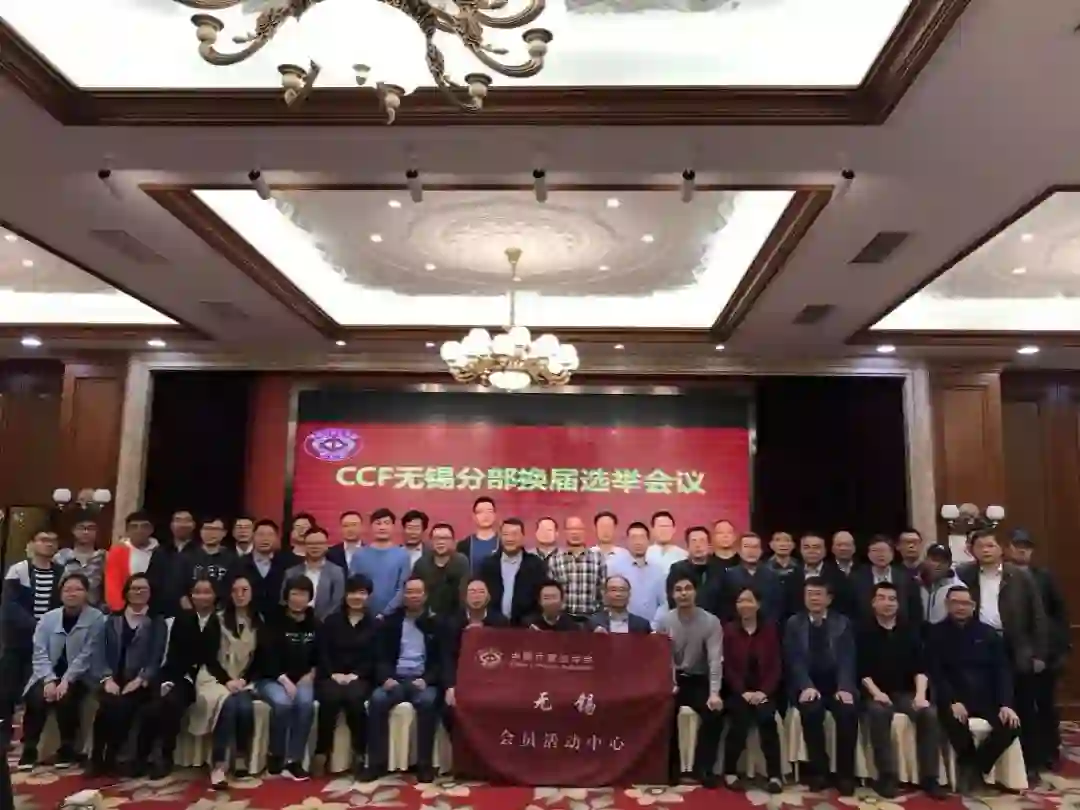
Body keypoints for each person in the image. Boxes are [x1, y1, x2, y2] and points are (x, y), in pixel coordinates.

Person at [956, 530, 1047, 780]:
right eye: (980, 546)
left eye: (991, 545)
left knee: (1025, 707)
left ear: (1001, 549)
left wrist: (1039, 653)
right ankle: (982, 766)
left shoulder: (1019, 576)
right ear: (972, 550)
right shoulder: (964, 574)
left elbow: (1037, 615)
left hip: (1015, 645)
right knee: (993, 705)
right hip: (980, 644)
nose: (986, 550)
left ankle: (1030, 764)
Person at [928, 585, 1020, 794]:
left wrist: (1006, 704)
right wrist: (952, 700)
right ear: (947, 605)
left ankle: (975, 768)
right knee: (954, 721)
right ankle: (969, 767)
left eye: (965, 603)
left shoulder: (988, 633)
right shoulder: (935, 633)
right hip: (954, 697)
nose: (960, 607)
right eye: (955, 602)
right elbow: (935, 673)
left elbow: (1002, 670)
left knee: (1012, 725)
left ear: (973, 606)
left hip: (987, 698)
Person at [858, 583, 945, 799]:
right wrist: (877, 693)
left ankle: (930, 778)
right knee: (878, 713)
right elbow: (861, 671)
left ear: (898, 604)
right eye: (882, 598)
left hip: (905, 692)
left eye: (892, 599)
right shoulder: (863, 631)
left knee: (929, 713)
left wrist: (920, 695)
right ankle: (887, 776)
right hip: (875, 692)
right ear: (873, 603)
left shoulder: (909, 631)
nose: (887, 603)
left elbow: (920, 668)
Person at [18, 573, 104, 770]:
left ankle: (67, 747)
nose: (72, 594)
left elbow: (88, 653)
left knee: (67, 696)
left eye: (78, 589)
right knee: (36, 696)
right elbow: (39, 651)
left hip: (81, 674)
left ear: (86, 593)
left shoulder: (97, 618)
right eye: (67, 590)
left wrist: (67, 680)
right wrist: (49, 679)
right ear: (60, 593)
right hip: (47, 673)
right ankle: (30, 748)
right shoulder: (48, 618)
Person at [136, 576, 219, 779]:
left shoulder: (220, 620)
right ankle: (141, 756)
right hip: (175, 673)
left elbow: (209, 657)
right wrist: (169, 681)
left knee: (171, 703)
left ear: (215, 595)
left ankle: (164, 756)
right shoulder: (183, 619)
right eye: (197, 592)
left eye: (207, 592)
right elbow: (174, 654)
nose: (201, 596)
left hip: (200, 678)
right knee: (152, 705)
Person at [784, 575, 858, 795]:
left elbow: (847, 658)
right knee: (811, 711)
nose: (814, 599)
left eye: (818, 594)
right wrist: (806, 685)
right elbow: (793, 660)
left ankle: (845, 775)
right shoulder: (794, 623)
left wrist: (844, 687)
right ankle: (819, 772)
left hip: (836, 684)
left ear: (829, 598)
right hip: (808, 684)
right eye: (809, 594)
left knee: (847, 712)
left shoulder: (842, 622)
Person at [190, 575, 266, 789]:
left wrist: (243, 679)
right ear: (229, 594)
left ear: (252, 593)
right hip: (214, 677)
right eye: (235, 590)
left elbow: (260, 659)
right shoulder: (218, 619)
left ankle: (240, 757)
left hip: (243, 679)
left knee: (245, 706)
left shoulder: (259, 621)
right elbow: (208, 657)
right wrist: (227, 680)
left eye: (245, 590)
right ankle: (219, 765)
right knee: (228, 704)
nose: (240, 595)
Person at [88, 573, 167, 776]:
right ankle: (96, 757)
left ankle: (114, 756)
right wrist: (107, 679)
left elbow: (156, 656)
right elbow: (99, 652)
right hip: (113, 678)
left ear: (151, 593)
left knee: (124, 705)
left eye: (143, 589)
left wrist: (141, 679)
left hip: (142, 681)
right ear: (126, 592)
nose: (139, 592)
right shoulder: (112, 619)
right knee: (105, 707)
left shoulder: (157, 622)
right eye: (134, 588)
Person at [366, 577, 443, 783]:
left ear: (425, 596)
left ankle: (424, 765)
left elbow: (440, 660)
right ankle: (376, 764)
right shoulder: (390, 622)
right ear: (402, 595)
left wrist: (426, 679)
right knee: (377, 700)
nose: (413, 596)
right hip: (395, 678)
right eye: (409, 592)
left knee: (428, 702)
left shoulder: (435, 623)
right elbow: (379, 656)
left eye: (418, 592)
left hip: (422, 680)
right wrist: (386, 678)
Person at [1008, 529, 1070, 771]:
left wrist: (1058, 650)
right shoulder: (1003, 575)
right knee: (1020, 705)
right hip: (1013, 652)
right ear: (1008, 548)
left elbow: (1059, 615)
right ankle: (1023, 754)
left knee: (1045, 705)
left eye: (1027, 546)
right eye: (1018, 545)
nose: (1022, 550)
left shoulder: (1044, 577)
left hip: (1044, 652)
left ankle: (1049, 752)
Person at [656, 575, 723, 788]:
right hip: (672, 678)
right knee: (663, 713)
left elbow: (715, 660)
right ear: (672, 594)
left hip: (699, 679)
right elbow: (661, 657)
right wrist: (670, 682)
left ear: (695, 592)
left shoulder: (711, 621)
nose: (683, 593)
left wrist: (714, 693)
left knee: (714, 713)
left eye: (688, 588)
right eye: (678, 589)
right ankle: (670, 769)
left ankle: (703, 768)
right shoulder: (665, 621)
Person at [313, 574, 378, 779]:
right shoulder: (331, 621)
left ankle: (359, 753)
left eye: (362, 593)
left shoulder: (375, 624)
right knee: (330, 699)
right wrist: (333, 673)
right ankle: (321, 752)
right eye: (352, 592)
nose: (357, 597)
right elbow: (322, 651)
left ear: (368, 596)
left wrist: (356, 675)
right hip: (331, 674)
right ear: (345, 595)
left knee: (354, 699)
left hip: (361, 677)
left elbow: (374, 656)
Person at [721, 586, 782, 793]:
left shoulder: (770, 630)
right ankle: (730, 771)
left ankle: (774, 775)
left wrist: (764, 692)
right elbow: (727, 667)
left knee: (767, 719)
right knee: (739, 719)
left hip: (764, 691)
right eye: (740, 601)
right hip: (738, 692)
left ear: (758, 604)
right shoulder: (729, 631)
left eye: (749, 600)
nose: (744, 605)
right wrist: (742, 692)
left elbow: (776, 665)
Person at [258, 575, 319, 780]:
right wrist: (283, 679)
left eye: (303, 594)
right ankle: (276, 753)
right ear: (286, 596)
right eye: (294, 594)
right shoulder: (273, 620)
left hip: (304, 678)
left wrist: (311, 673)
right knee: (283, 703)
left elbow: (322, 655)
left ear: (309, 597)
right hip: (272, 678)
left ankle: (294, 759)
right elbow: (266, 655)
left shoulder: (315, 622)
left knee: (305, 704)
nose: (298, 599)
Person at [0, 529, 62, 722]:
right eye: (43, 540)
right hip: (18, 642)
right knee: (7, 692)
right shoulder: (19, 570)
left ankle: (30, 739)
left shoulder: (62, 572)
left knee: (37, 697)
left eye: (53, 540)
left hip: (47, 645)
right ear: (32, 544)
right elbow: (10, 605)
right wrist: (37, 627)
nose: (49, 544)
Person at [443, 579, 509, 730]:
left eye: (481, 592)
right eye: (472, 592)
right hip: (462, 680)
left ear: (488, 597)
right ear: (464, 597)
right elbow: (448, 658)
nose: (476, 596)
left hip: (491, 680)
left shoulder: (500, 622)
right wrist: (450, 686)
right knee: (449, 709)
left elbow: (505, 656)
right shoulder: (452, 622)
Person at [478, 518, 547, 625]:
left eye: (514, 534)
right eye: (505, 534)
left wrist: (530, 621)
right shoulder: (488, 564)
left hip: (526, 627)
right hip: (492, 625)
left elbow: (542, 599)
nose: (509, 539)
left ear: (523, 537)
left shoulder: (536, 565)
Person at [104, 510, 169, 614]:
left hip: (156, 610)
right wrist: (119, 610)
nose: (139, 531)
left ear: (151, 529)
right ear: (127, 531)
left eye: (144, 526)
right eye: (134, 527)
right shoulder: (118, 551)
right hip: (125, 610)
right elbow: (113, 584)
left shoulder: (162, 552)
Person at [350, 508, 411, 619]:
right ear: (371, 526)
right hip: (363, 615)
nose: (382, 527)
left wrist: (386, 612)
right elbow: (353, 587)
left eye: (386, 523)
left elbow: (402, 589)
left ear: (393, 526)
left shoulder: (403, 555)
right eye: (378, 523)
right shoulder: (359, 555)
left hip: (393, 617)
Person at [852, 535, 923, 625]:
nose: (880, 555)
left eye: (884, 550)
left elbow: (915, 612)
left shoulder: (906, 579)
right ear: (868, 554)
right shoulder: (856, 579)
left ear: (892, 554)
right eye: (875, 550)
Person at [548, 516, 607, 622]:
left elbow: (604, 592)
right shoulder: (555, 560)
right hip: (564, 621)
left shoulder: (598, 558)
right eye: (571, 529)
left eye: (578, 529)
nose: (575, 533)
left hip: (591, 620)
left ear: (584, 532)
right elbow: (550, 594)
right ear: (565, 532)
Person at [607, 521, 666, 624]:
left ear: (648, 541)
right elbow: (608, 599)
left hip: (651, 627)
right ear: (627, 541)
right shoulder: (614, 567)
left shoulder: (658, 570)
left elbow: (663, 603)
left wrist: (655, 625)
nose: (638, 542)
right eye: (634, 538)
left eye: (642, 538)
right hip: (623, 626)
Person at [783, 534, 853, 619]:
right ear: (800, 550)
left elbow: (844, 607)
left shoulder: (839, 576)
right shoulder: (790, 576)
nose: (811, 551)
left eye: (816, 547)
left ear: (825, 551)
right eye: (806, 547)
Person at [284, 527, 345, 621]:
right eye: (310, 543)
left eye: (319, 543)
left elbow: (337, 603)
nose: (315, 547)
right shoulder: (291, 573)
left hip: (326, 624)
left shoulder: (337, 572)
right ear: (304, 546)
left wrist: (320, 623)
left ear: (326, 546)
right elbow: (284, 601)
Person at [233, 519, 289, 618]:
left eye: (270, 535)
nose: (265, 539)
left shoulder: (286, 564)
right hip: (249, 618)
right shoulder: (239, 564)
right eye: (260, 534)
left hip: (279, 619)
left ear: (277, 538)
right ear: (253, 537)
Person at [720, 533, 782, 622]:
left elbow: (777, 607)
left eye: (755, 547)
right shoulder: (728, 576)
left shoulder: (772, 576)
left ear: (761, 551)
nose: (751, 551)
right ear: (739, 550)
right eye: (747, 546)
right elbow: (724, 608)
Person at [666, 526, 724, 616]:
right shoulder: (677, 569)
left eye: (702, 541)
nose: (698, 545)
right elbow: (672, 600)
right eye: (694, 541)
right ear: (687, 546)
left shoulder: (719, 568)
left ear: (709, 545)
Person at [183, 516, 238, 603]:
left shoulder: (233, 559)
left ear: (224, 533)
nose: (211, 533)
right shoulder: (186, 557)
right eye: (207, 528)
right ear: (200, 531)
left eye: (215, 529)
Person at [54, 512, 105, 607]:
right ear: (73, 530)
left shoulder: (103, 557)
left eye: (91, 528)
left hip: (96, 609)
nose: (86, 532)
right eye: (81, 528)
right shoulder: (61, 556)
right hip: (65, 608)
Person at [588, 576, 652, 633]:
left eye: (622, 590)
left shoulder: (642, 624)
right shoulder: (593, 622)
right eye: (613, 590)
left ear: (629, 594)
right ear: (605, 594)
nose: (618, 594)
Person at [920, 543, 963, 624]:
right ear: (926, 561)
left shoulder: (958, 589)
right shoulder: (915, 585)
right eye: (935, 560)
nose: (939, 565)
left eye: (944, 562)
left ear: (949, 565)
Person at [457, 497, 500, 575]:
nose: (486, 515)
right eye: (480, 512)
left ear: (495, 515)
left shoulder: (503, 544)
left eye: (489, 511)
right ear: (474, 516)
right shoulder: (464, 545)